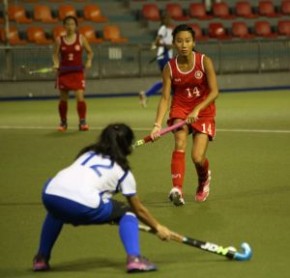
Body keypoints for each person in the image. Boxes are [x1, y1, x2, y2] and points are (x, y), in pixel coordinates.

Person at [33, 123, 172, 273]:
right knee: (127, 211)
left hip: (51, 195)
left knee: (57, 209)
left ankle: (41, 258)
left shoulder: (87, 154)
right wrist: (158, 227)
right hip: (83, 205)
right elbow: (139, 210)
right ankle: (135, 259)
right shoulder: (123, 172)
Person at [150, 24, 219, 206]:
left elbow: (214, 92)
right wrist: (157, 125)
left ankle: (203, 179)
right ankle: (177, 189)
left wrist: (197, 109)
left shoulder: (204, 61)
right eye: (179, 41)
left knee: (197, 157)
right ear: (173, 44)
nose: (183, 45)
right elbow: (165, 98)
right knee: (179, 141)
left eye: (187, 41)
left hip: (203, 111)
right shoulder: (169, 68)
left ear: (193, 42)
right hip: (180, 108)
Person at [53, 15, 94, 132]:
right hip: (64, 72)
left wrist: (89, 60)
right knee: (63, 99)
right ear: (64, 26)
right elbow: (55, 54)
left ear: (76, 26)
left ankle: (82, 122)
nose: (70, 26)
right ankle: (63, 122)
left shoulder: (81, 38)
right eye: (68, 24)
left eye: (72, 24)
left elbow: (90, 52)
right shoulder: (59, 40)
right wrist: (56, 64)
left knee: (80, 97)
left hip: (77, 72)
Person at [139, 13, 173, 108]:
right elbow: (157, 41)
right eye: (168, 18)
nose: (170, 20)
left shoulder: (169, 30)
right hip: (164, 56)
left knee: (167, 80)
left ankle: (146, 94)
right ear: (164, 19)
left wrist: (171, 46)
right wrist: (166, 46)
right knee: (170, 79)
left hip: (167, 57)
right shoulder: (163, 29)